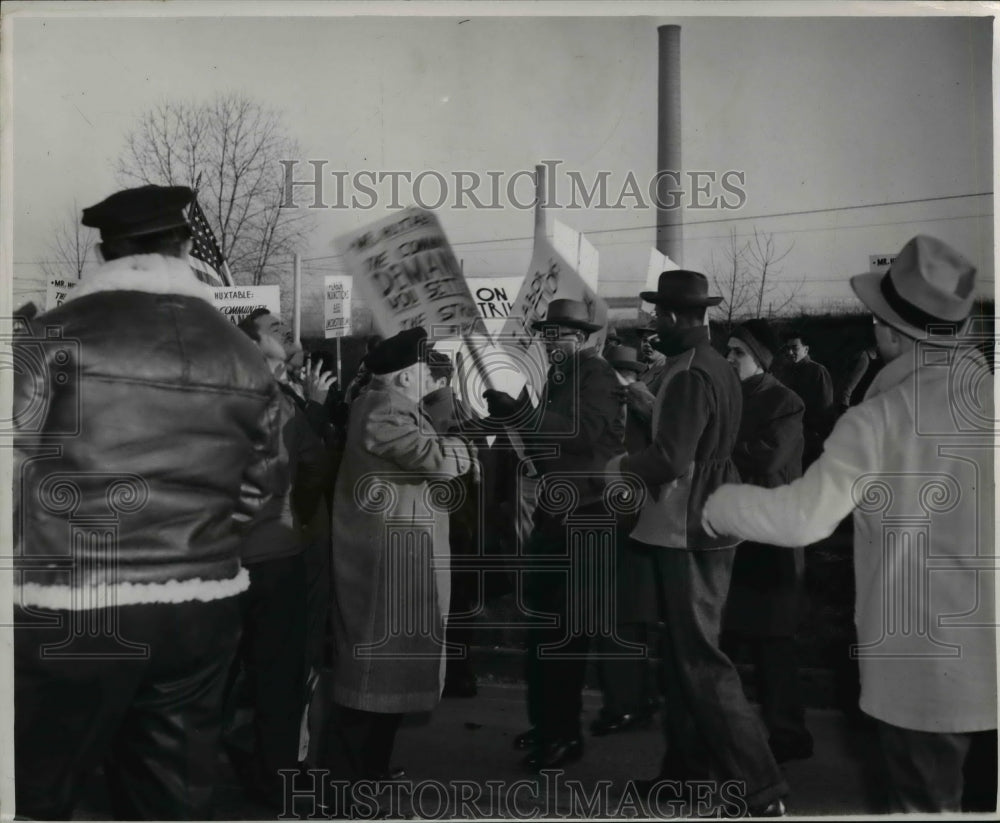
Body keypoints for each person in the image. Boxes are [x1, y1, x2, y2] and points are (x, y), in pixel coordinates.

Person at [13, 184, 283, 820]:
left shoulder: (47, 339)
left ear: (104, 252)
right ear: (186, 246)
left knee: (38, 793)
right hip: (201, 606)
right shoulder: (245, 355)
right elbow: (261, 491)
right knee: (171, 795)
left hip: (72, 603)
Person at [704, 235, 996, 813]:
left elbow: (804, 517)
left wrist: (714, 506)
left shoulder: (879, 418)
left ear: (889, 332)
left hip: (922, 672)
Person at [603, 270, 788, 817]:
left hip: (685, 528)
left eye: (658, 313)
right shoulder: (712, 365)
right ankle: (684, 779)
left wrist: (618, 468)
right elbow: (700, 442)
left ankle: (763, 790)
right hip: (705, 520)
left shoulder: (685, 372)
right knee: (686, 658)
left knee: (701, 662)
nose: (651, 322)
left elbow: (670, 460)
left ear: (676, 317)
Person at [319, 327, 475, 801]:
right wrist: (463, 450)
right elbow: (439, 460)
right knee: (367, 688)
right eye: (426, 367)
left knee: (388, 686)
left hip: (398, 565)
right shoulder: (384, 408)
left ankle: (369, 774)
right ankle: (347, 791)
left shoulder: (396, 407)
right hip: (385, 569)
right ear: (407, 375)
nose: (433, 375)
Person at [488, 299, 625, 772]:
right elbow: (551, 449)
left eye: (561, 334)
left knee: (563, 632)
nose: (551, 342)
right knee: (545, 628)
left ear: (584, 337)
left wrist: (522, 412)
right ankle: (547, 723)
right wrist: (516, 415)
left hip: (585, 516)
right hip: (558, 511)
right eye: (547, 334)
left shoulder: (598, 375)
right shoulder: (562, 378)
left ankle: (563, 733)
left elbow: (582, 436)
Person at [226, 310, 333, 809]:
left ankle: (250, 772)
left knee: (243, 675)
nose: (287, 332)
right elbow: (312, 468)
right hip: (269, 558)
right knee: (274, 677)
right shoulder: (270, 401)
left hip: (237, 559)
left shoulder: (223, 395)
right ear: (252, 343)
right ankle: (272, 782)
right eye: (275, 328)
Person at [720, 319, 813, 764]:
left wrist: (719, 445)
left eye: (737, 352)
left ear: (759, 358)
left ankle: (789, 734)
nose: (728, 359)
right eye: (729, 350)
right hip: (736, 533)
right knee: (729, 638)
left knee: (774, 643)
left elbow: (771, 455)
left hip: (772, 536)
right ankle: (724, 730)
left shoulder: (784, 401)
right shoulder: (730, 397)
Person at [590, 346, 659, 737]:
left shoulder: (637, 402)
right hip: (620, 512)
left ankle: (627, 702)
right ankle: (634, 698)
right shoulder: (638, 401)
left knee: (619, 613)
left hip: (624, 514)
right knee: (625, 613)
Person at [421, 349, 483, 698]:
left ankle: (455, 674)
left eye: (423, 374)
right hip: (464, 517)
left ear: (440, 380)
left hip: (452, 518)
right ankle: (459, 673)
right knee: (460, 602)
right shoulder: (457, 409)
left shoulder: (440, 413)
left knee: (452, 602)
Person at [776, 330, 833, 468]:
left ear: (806, 349)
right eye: (787, 348)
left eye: (794, 348)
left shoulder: (817, 371)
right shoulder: (785, 371)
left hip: (810, 438)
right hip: (788, 437)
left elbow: (825, 408)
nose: (790, 352)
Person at [838, 342, 883, 412]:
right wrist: (844, 409)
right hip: (850, 407)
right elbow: (847, 388)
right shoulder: (864, 358)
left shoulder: (876, 360)